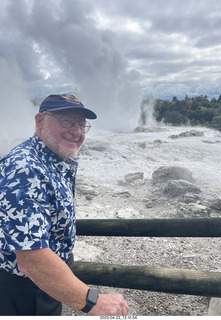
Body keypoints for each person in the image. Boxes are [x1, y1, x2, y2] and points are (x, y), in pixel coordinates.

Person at [0, 94, 129, 316]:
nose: (77, 131)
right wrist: (94, 302)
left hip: (44, 285)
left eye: (81, 124)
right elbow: (32, 260)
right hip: (25, 290)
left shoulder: (52, 159)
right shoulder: (25, 169)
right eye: (67, 121)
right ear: (40, 121)